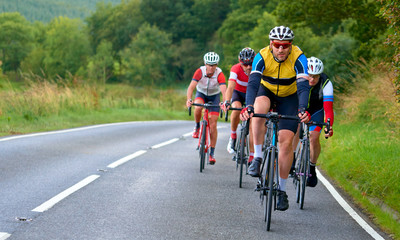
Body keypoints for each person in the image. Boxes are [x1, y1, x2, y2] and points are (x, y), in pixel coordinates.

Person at [240, 26, 311, 211]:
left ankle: (281, 190)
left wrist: (303, 108)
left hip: (290, 97)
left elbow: (303, 86)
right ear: (271, 44)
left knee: (286, 142)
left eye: (285, 46)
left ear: (290, 45)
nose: (281, 49)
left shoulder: (299, 57)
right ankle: (257, 157)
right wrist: (248, 106)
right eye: (277, 45)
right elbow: (253, 83)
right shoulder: (262, 56)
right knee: (258, 110)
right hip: (267, 91)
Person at [186, 52, 227, 165]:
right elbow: (191, 87)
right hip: (201, 93)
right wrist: (189, 99)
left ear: (217, 65)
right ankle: (197, 126)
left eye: (213, 65)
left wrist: (225, 102)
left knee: (213, 124)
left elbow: (224, 90)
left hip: (214, 96)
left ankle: (212, 153)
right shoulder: (200, 71)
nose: (211, 67)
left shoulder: (219, 74)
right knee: (198, 107)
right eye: (209, 64)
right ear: (205, 64)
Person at [303, 56, 334, 187]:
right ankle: (292, 159)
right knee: (292, 131)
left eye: (315, 76)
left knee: (314, 137)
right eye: (309, 75)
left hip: (316, 110)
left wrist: (329, 126)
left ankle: (311, 168)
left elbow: (328, 109)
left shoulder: (326, 83)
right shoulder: (298, 78)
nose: (312, 79)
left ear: (319, 75)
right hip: (300, 108)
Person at [224, 47, 255, 165]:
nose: (248, 67)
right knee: (236, 109)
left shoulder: (257, 69)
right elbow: (231, 86)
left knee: (253, 124)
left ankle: (252, 156)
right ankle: (233, 136)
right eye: (245, 64)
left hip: (251, 95)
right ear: (239, 61)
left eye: (250, 64)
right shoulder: (235, 69)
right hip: (238, 93)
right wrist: (227, 101)